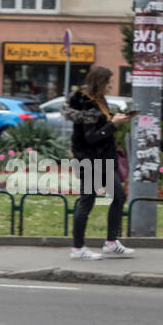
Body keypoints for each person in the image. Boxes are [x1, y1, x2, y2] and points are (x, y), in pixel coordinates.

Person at [63, 65, 136, 260]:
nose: (110, 86)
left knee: (119, 196)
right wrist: (113, 124)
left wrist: (116, 119)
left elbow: (101, 125)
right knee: (87, 201)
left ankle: (111, 242)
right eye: (108, 82)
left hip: (103, 159)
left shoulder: (99, 100)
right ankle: (77, 249)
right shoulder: (86, 103)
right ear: (99, 82)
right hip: (88, 159)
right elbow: (91, 137)